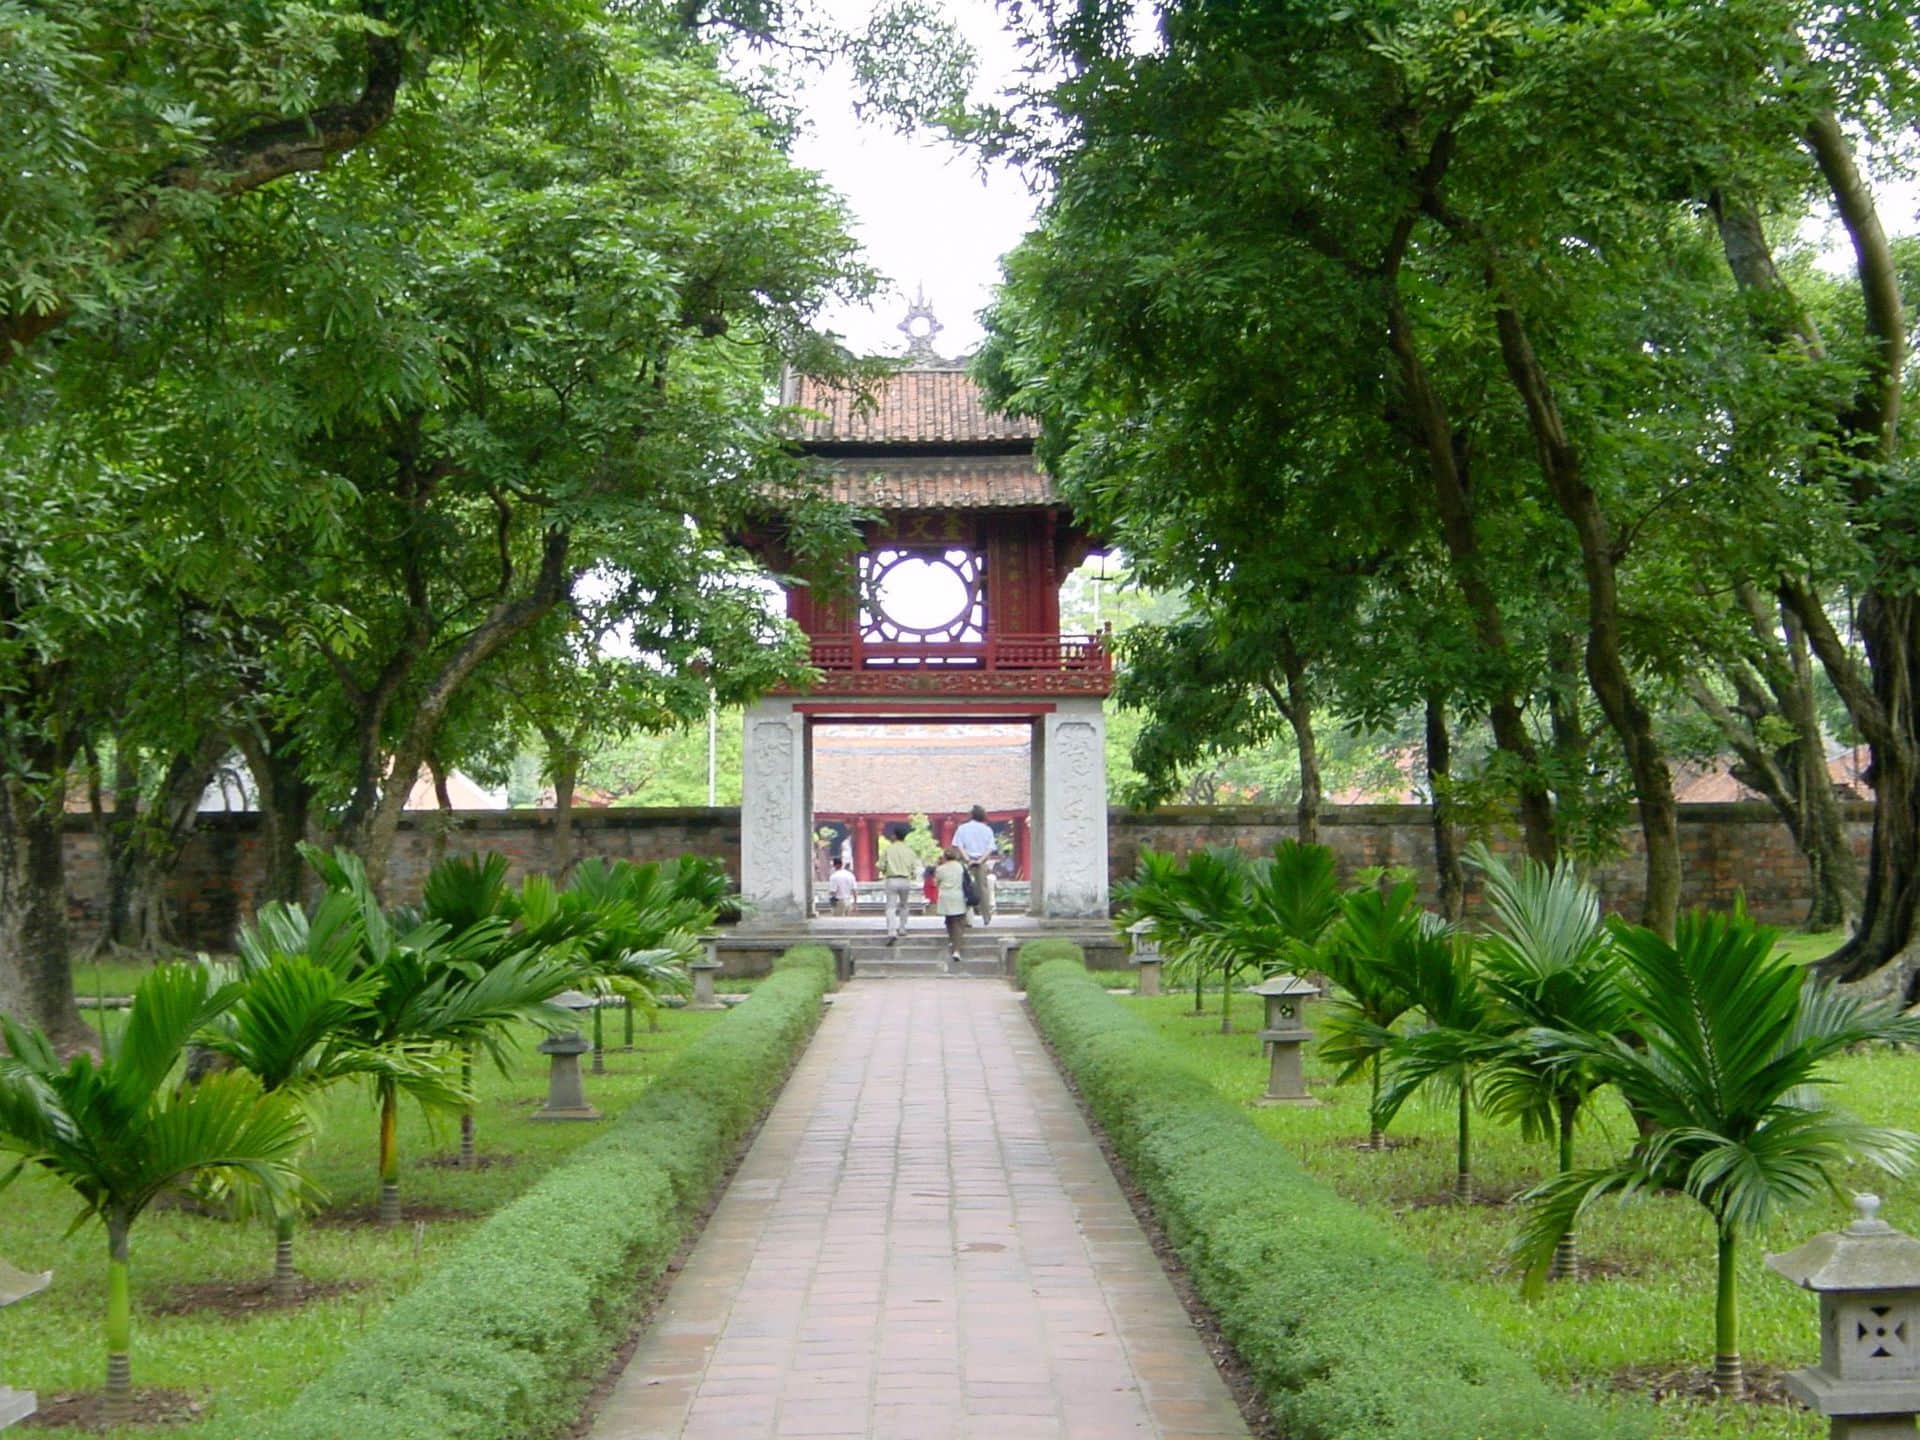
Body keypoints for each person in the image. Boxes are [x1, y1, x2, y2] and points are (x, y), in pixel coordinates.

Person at [951, 804, 998, 926]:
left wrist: (967, 859)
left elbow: (959, 846)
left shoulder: (962, 828)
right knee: (983, 889)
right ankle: (986, 916)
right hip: (981, 862)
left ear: (971, 815)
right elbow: (990, 848)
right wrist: (980, 860)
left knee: (964, 889)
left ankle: (966, 918)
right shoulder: (987, 829)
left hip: (966, 862)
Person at [879, 823, 920, 941]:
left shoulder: (889, 849)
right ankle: (902, 928)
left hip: (892, 879)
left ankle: (892, 931)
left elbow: (881, 865)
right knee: (904, 905)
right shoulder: (909, 850)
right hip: (905, 880)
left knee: (891, 906)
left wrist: (885, 870)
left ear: (894, 836)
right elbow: (914, 868)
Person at [933, 845, 969, 967]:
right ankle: (957, 949)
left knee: (949, 920)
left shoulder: (940, 869)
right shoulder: (960, 867)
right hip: (958, 895)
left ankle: (952, 941)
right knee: (959, 922)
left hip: (945, 896)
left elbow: (936, 883)